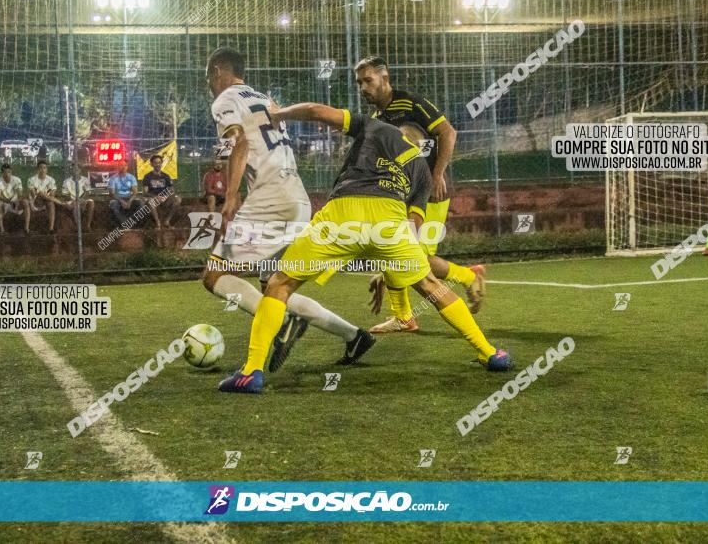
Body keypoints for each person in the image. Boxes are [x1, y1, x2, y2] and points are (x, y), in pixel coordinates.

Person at [218, 102, 512, 394]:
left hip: (343, 213)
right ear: (420, 146)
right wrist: (390, 266)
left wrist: (280, 113)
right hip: (391, 222)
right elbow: (413, 225)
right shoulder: (422, 168)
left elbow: (318, 112)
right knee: (429, 284)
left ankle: (250, 372)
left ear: (398, 132)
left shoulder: (376, 125)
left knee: (280, 284)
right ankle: (489, 353)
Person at [203, 46, 373, 374]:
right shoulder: (265, 99)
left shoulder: (224, 100)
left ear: (218, 72)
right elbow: (240, 141)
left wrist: (231, 195)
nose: (209, 85)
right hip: (296, 197)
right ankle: (354, 335)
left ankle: (281, 323)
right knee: (277, 285)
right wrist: (223, 156)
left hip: (269, 199)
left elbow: (239, 141)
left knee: (214, 274)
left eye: (209, 78)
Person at [354, 56, 486, 334]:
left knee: (415, 258)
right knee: (396, 250)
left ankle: (465, 276)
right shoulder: (377, 118)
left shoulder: (410, 103)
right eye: (359, 83)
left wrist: (437, 175)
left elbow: (448, 132)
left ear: (384, 78)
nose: (363, 87)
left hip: (430, 191)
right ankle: (403, 316)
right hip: (403, 194)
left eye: (368, 80)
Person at [141, 154, 183, 229]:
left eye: (159, 162)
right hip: (153, 198)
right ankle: (158, 223)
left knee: (178, 199)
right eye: (155, 163)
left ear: (161, 163)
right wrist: (156, 197)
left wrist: (166, 196)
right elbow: (145, 192)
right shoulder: (147, 177)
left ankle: (167, 221)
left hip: (165, 198)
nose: (158, 164)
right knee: (151, 201)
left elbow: (171, 190)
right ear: (151, 164)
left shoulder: (166, 176)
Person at [0, 163, 31, 235]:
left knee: (25, 202)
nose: (7, 174)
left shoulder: (17, 180)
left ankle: (26, 229)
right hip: (4, 202)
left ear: (11, 172)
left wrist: (16, 200)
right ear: (2, 173)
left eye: (9, 172)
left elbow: (19, 194)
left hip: (15, 202)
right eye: (5, 172)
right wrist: (6, 200)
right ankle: (2, 230)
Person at [60, 163, 95, 232]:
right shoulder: (66, 181)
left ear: (80, 170)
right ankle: (78, 227)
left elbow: (87, 192)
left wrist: (80, 199)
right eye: (73, 169)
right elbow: (65, 194)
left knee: (91, 202)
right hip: (71, 201)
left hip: (82, 199)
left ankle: (88, 225)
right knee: (76, 205)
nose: (75, 170)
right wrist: (72, 200)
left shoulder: (85, 180)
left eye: (77, 169)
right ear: (71, 170)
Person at [27, 160, 59, 232]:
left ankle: (51, 228)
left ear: (46, 169)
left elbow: (52, 194)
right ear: (37, 169)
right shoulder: (31, 179)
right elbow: (34, 194)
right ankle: (60, 203)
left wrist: (44, 195)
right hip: (35, 202)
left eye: (44, 168)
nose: (42, 170)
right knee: (41, 194)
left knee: (50, 203)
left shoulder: (51, 180)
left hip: (47, 201)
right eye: (40, 168)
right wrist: (43, 194)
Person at [107, 160, 142, 225]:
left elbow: (135, 193)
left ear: (127, 167)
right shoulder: (113, 178)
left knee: (140, 203)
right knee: (113, 204)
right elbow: (112, 194)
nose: (123, 167)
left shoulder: (131, 177)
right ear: (118, 167)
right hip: (118, 198)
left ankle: (133, 222)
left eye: (125, 165)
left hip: (129, 197)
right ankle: (125, 223)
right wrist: (121, 201)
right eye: (121, 165)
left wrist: (130, 201)